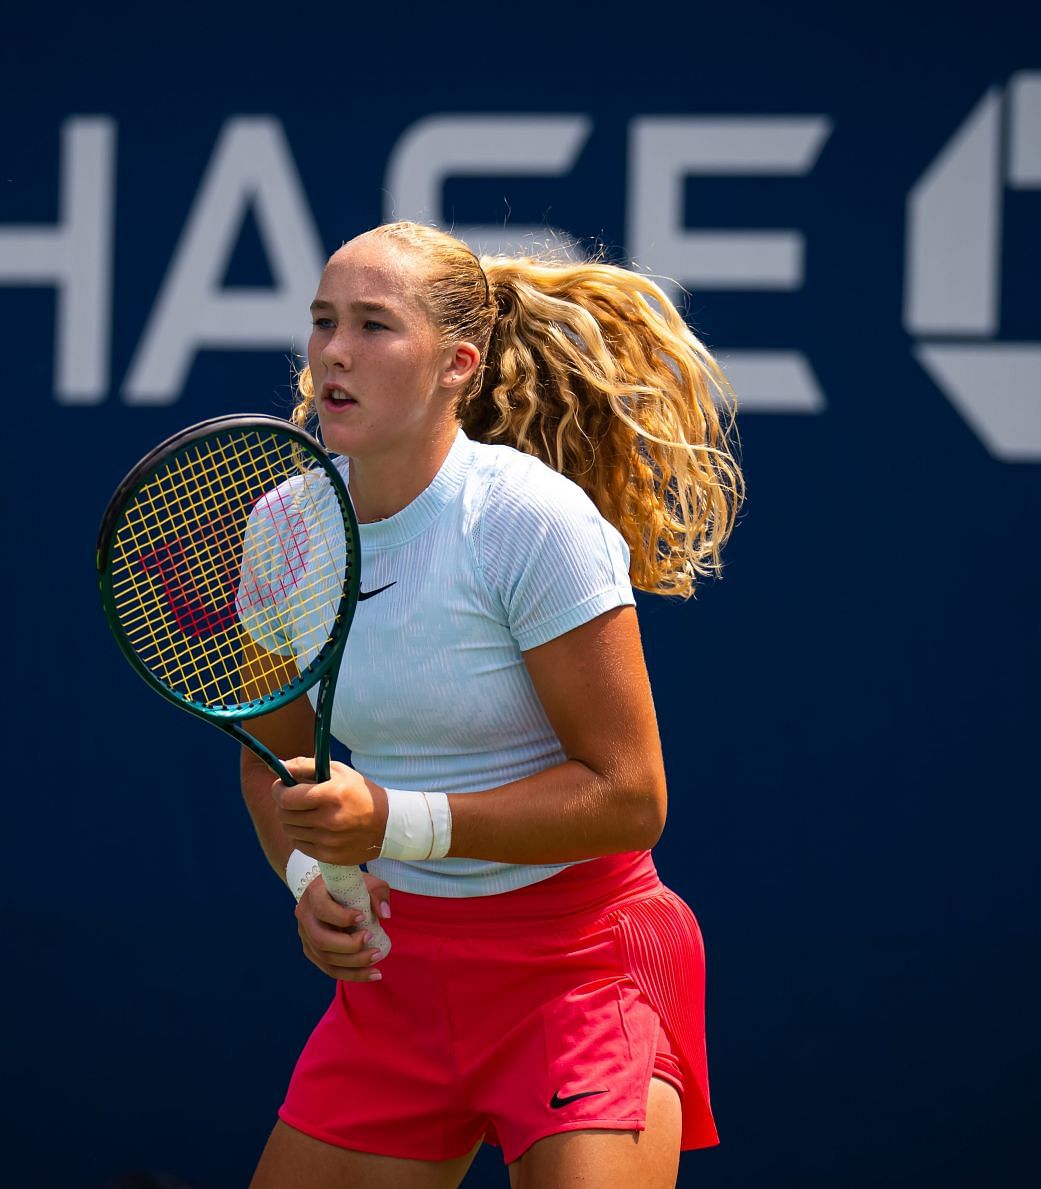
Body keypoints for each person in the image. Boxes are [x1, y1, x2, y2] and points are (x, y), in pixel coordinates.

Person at [238, 221, 743, 1188]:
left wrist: (396, 819)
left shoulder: (526, 520)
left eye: (375, 326)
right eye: (323, 321)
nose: (335, 351)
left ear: (457, 363)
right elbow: (275, 762)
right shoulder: (287, 527)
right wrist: (307, 872)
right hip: (399, 973)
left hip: (581, 967)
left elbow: (630, 795)